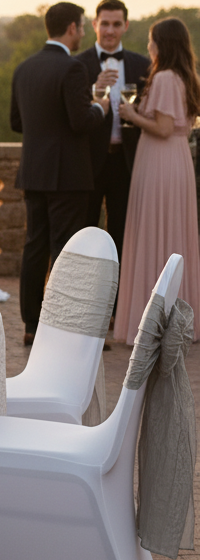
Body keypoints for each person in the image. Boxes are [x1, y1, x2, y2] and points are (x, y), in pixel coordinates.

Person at [11, 2, 109, 345]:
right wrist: (99, 106)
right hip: (67, 175)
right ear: (71, 28)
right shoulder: (72, 68)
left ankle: (31, 325)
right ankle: (62, 325)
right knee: (65, 249)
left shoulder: (23, 69)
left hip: (34, 172)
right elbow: (80, 121)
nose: (83, 32)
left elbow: (16, 123)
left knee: (34, 246)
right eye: (82, 27)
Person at [113, 17, 200, 342]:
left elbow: (163, 128)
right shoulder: (184, 76)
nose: (148, 47)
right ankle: (173, 315)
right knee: (172, 232)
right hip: (176, 161)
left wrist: (131, 115)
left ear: (162, 44)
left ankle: (153, 321)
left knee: (155, 232)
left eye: (151, 40)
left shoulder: (164, 77)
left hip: (160, 162)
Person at [76, 0, 150, 266]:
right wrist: (92, 92)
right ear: (94, 25)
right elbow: (72, 115)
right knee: (84, 235)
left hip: (127, 163)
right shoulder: (78, 65)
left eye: (116, 24)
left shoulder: (142, 65)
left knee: (122, 235)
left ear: (126, 26)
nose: (110, 30)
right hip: (88, 163)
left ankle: (119, 303)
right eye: (104, 24)